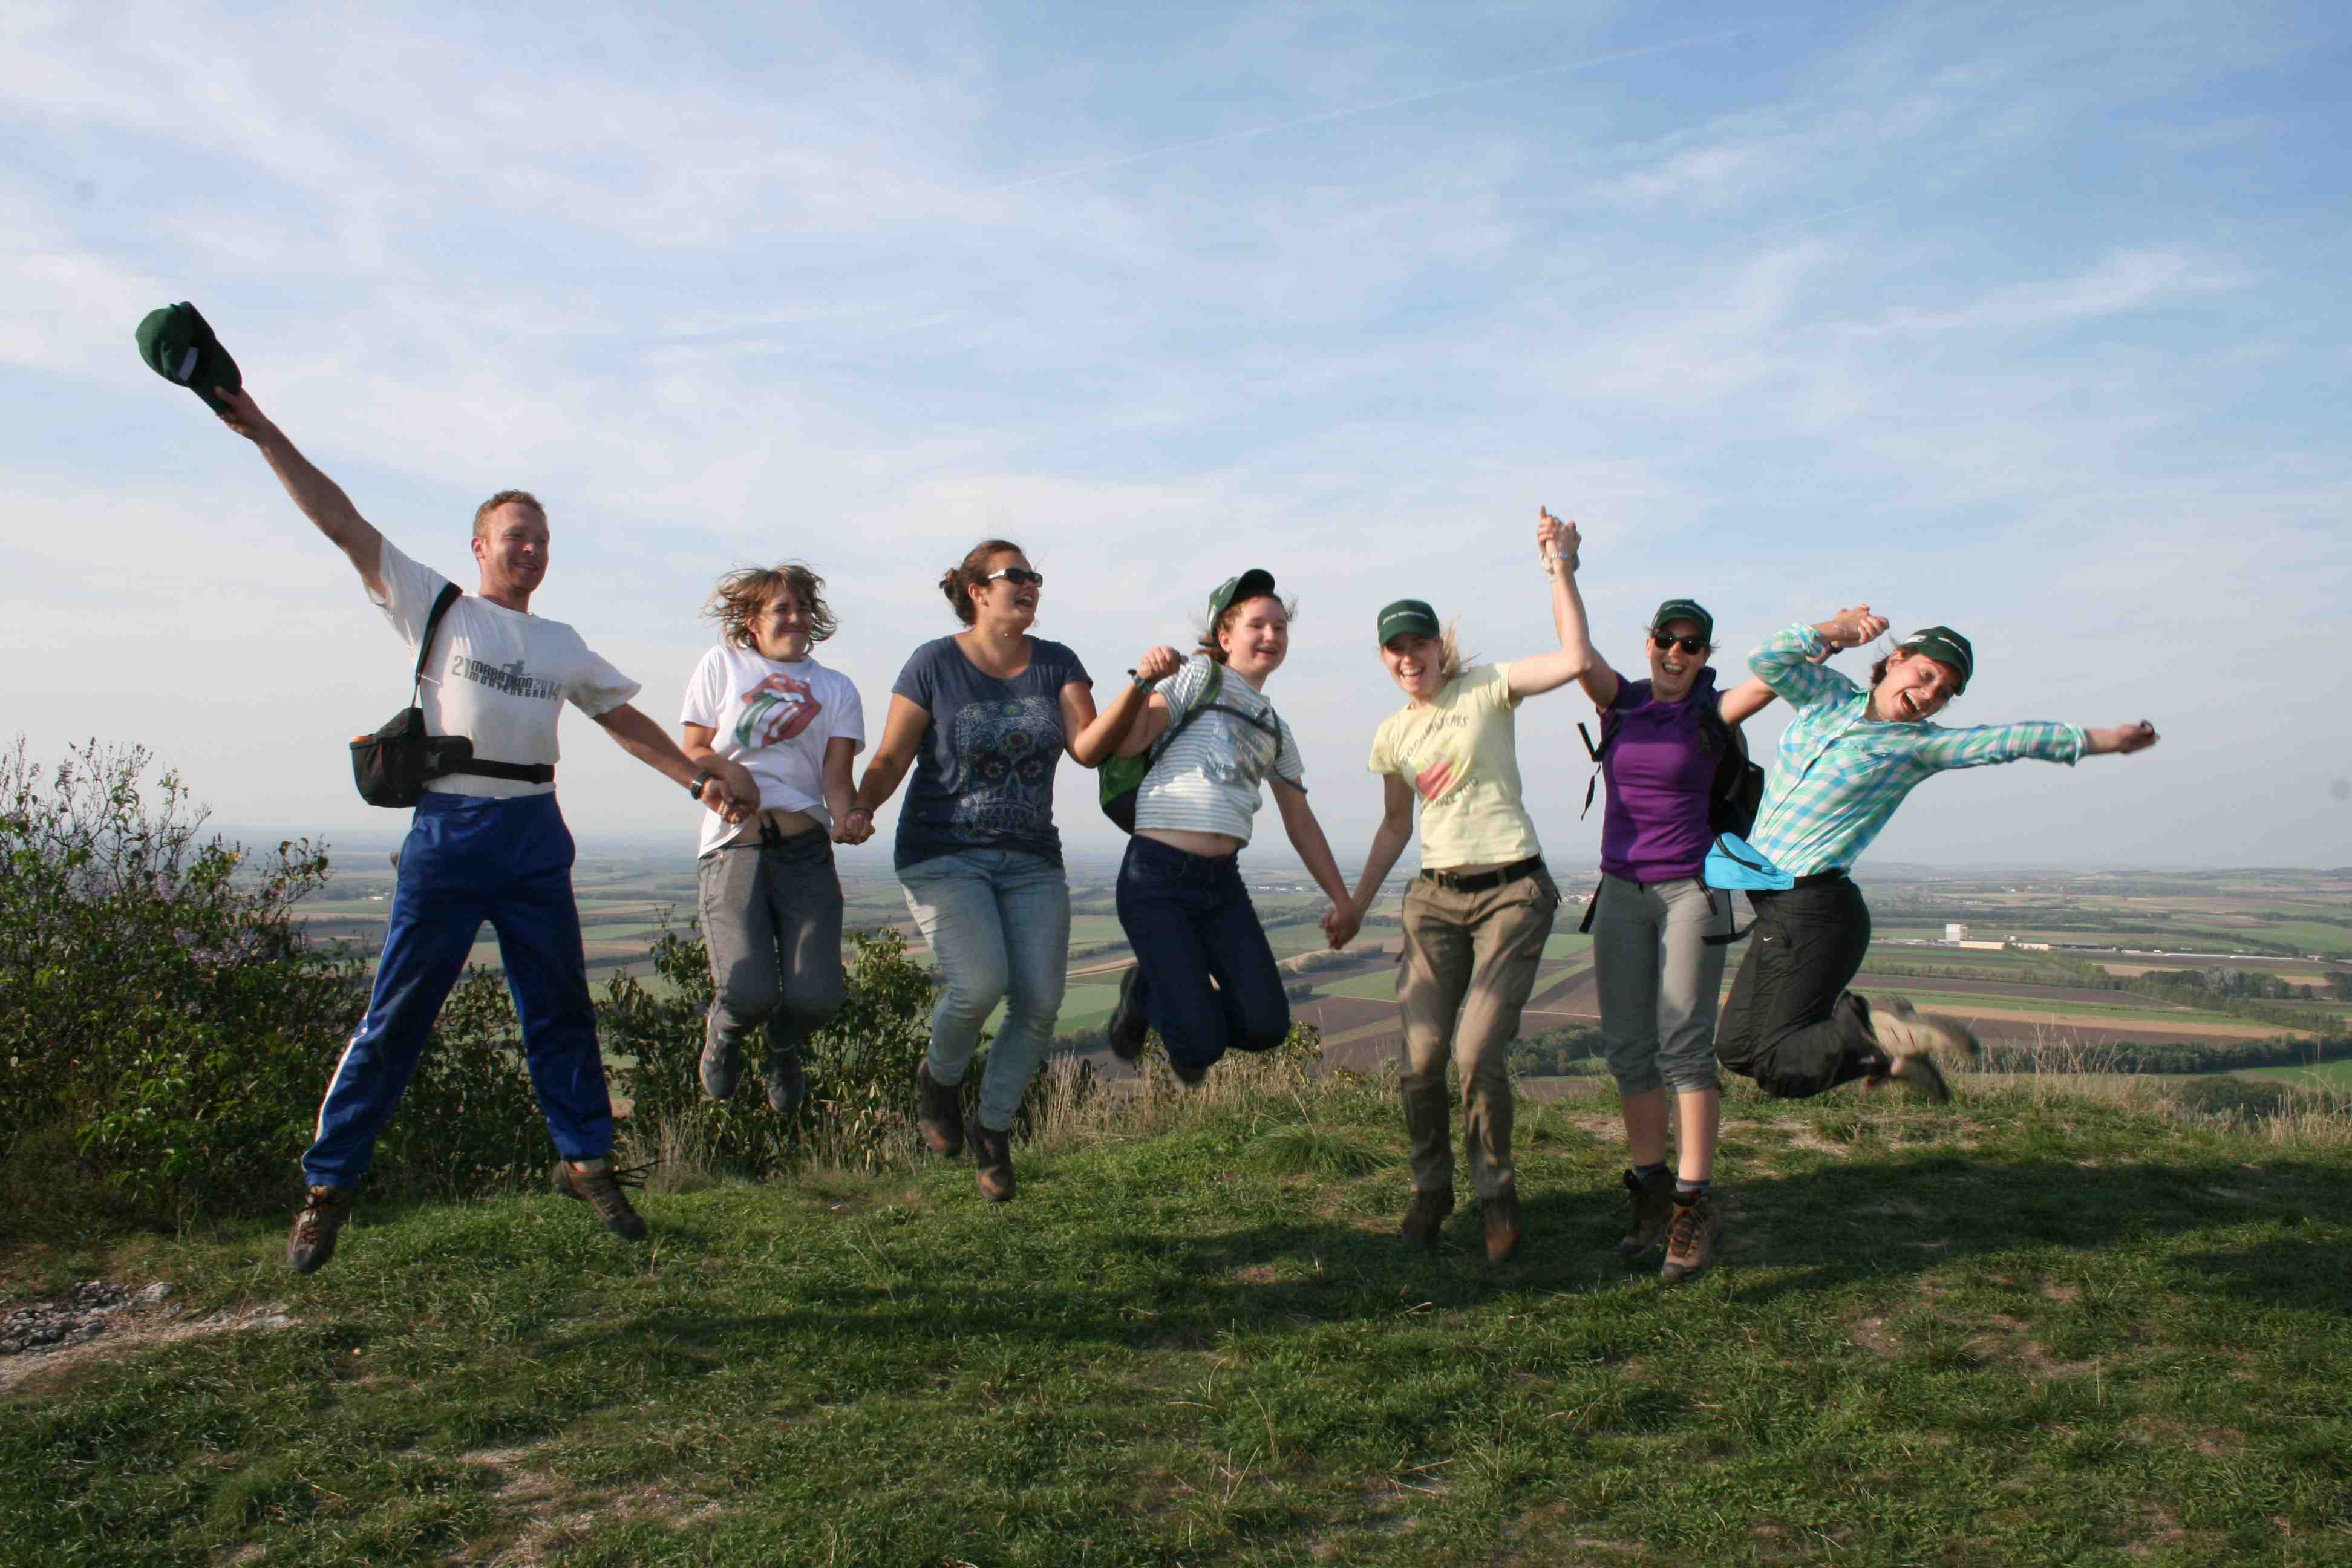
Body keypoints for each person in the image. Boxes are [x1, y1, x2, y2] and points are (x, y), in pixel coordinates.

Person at [209, 384, 756, 1275]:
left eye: (541, 538)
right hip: (453, 826)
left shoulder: (563, 643)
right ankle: (328, 1189)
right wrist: (265, 432)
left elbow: (623, 722)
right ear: (480, 546)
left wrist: (699, 776)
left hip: (535, 828)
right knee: (398, 1016)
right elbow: (341, 523)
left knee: (561, 1010)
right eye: (516, 536)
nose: (531, 550)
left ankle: (583, 1160)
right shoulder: (437, 604)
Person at [1714, 608, 2161, 1126]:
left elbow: (2008, 742)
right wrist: (1837, 631)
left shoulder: (1920, 747)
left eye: (1944, 691)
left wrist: (2107, 740)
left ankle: (1876, 1034)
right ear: (1895, 661)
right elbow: (1767, 658)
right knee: (1738, 1051)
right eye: (1926, 676)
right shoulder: (1826, 698)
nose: (1930, 695)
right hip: (1781, 911)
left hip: (1816, 911)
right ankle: (1889, 1053)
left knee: (1776, 1066)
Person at [1543, 510, 1788, 1283]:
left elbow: (1776, 672)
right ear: (1649, 643)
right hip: (1620, 892)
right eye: (1667, 641)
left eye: (1693, 645)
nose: (1678, 653)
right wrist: (1562, 566)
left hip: (1691, 891)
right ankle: (1649, 1190)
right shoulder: (1621, 701)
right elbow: (1575, 653)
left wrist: (1830, 631)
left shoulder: (1712, 711)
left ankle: (1692, 1206)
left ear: (1705, 654)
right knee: (1626, 1048)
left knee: (1683, 1043)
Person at [1343, 517, 1596, 1264]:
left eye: (1418, 643)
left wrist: (1561, 565)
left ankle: (1497, 1193)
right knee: (1421, 1059)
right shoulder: (1392, 735)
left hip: (1513, 891)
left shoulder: (1488, 688)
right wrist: (1356, 903)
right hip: (1433, 900)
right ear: (1386, 659)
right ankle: (1432, 1188)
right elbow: (1395, 828)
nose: (1408, 657)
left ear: (1438, 646)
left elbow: (1577, 659)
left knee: (1476, 1051)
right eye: (1396, 648)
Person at [840, 540, 1097, 1201]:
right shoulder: (933, 663)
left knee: (1039, 1003)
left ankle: (994, 1131)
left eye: (1037, 576)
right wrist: (863, 805)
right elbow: (895, 754)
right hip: (943, 849)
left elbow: (1088, 743)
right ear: (978, 590)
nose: (1032, 585)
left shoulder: (1058, 663)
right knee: (979, 985)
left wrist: (1146, 694)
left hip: (1031, 856)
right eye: (1017, 576)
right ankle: (938, 1079)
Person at [1084, 571, 1360, 1085]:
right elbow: (1127, 745)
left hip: (1222, 886)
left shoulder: (1277, 727)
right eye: (1258, 624)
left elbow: (1300, 821)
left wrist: (1343, 900)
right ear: (1226, 637)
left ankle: (1161, 997)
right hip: (1156, 879)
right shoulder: (1197, 680)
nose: (1272, 636)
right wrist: (1145, 683)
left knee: (1266, 1027)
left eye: (1280, 626)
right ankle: (1148, 995)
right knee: (1200, 1047)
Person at [679, 563, 865, 1116]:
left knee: (819, 998)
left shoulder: (836, 688)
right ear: (751, 620)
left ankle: (782, 1045)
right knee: (748, 991)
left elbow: (836, 779)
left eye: (803, 607)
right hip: (734, 843)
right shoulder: (723, 665)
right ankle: (726, 1033)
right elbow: (692, 749)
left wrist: (849, 817)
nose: (795, 617)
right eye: (781, 608)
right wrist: (726, 774)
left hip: (806, 849)